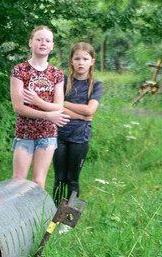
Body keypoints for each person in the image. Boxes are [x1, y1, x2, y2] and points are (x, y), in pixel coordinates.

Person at [10, 26, 70, 188]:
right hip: (24, 133)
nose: (43, 43)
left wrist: (37, 101)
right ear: (31, 42)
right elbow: (19, 107)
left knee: (38, 181)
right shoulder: (19, 70)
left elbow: (58, 106)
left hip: (47, 134)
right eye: (39, 39)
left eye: (47, 40)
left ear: (52, 46)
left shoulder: (56, 73)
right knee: (18, 180)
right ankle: (16, 213)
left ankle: (37, 214)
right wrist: (48, 115)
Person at [53, 42, 103, 205]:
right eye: (77, 58)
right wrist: (79, 115)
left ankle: (68, 218)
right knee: (59, 178)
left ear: (92, 61)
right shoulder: (63, 81)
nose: (81, 62)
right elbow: (56, 105)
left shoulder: (95, 85)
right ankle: (54, 214)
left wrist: (64, 104)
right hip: (59, 135)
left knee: (72, 178)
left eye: (85, 58)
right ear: (71, 61)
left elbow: (90, 111)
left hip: (80, 138)